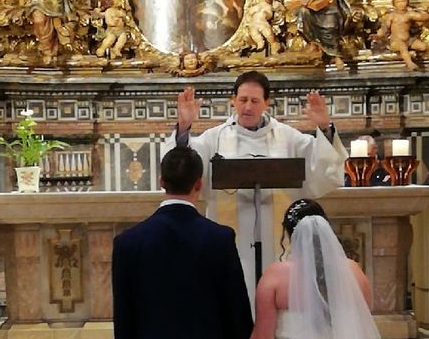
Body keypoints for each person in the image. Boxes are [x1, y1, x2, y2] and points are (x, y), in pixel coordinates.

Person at [161, 70, 348, 302]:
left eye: (254, 101)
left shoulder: (288, 137)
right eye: (242, 100)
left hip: (277, 244)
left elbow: (323, 168)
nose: (247, 107)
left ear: (266, 103)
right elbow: (180, 166)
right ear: (233, 100)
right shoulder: (215, 138)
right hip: (230, 244)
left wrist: (324, 128)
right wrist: (184, 128)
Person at [112, 146, 253, 339]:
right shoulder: (220, 238)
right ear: (199, 184)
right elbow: (237, 313)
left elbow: (124, 318)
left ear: (161, 181)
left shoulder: (127, 242)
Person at [251, 199, 380, 339]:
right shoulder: (353, 271)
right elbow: (363, 326)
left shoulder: (275, 275)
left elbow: (262, 335)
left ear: (289, 234)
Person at [372, 0, 429, 70]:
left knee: (423, 47)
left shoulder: (409, 14)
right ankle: (409, 63)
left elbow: (422, 17)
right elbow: (385, 28)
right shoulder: (392, 16)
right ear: (394, 4)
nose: (401, 4)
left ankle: (408, 57)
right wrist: (378, 36)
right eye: (398, 2)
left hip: (409, 40)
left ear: (407, 2)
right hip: (396, 42)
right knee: (402, 46)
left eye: (403, 1)